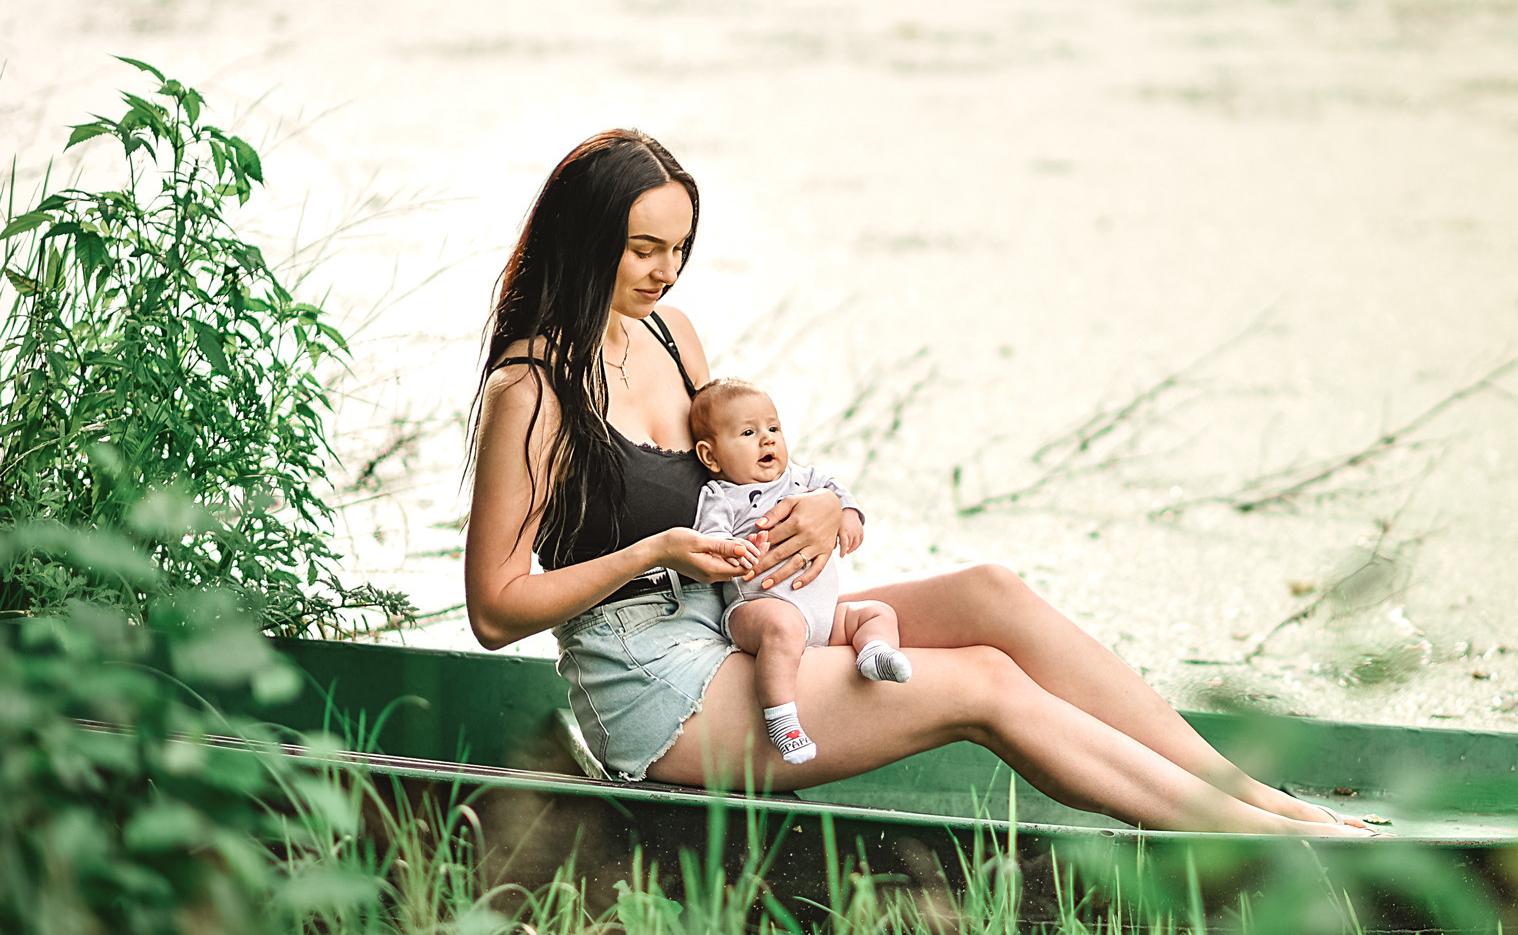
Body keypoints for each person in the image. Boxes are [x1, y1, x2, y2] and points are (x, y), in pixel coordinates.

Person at [463, 129, 1371, 836]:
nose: (665, 272)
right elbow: (497, 612)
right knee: (977, 681)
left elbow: (745, 465)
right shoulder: (532, 392)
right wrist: (653, 551)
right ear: (587, 244)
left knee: (992, 595)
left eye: (681, 249)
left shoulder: (672, 335)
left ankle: (1247, 792)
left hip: (737, 621)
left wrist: (828, 506)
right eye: (642, 250)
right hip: (654, 690)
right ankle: (1256, 842)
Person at [689, 376, 914, 765]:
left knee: (877, 612)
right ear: (711, 457)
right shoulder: (721, 495)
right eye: (748, 432)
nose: (768, 439)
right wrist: (737, 549)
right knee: (784, 628)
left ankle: (874, 651)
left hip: (821, 618)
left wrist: (848, 513)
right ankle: (781, 720)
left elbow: (834, 487)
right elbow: (712, 540)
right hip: (757, 608)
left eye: (773, 428)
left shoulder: (800, 477)